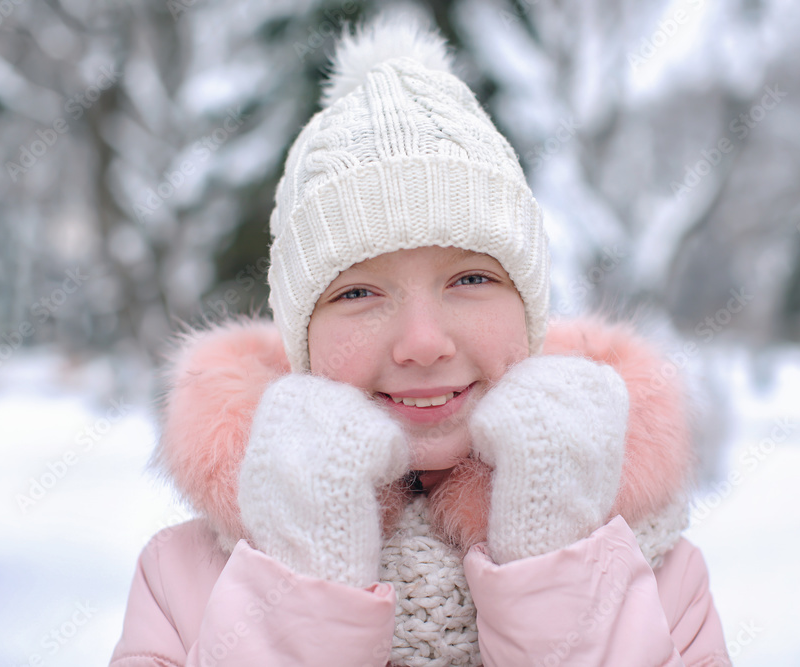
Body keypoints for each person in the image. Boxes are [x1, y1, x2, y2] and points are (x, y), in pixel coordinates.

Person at [110, 13, 731, 667]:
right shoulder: (184, 583)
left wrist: (560, 554)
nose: (422, 342)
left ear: (529, 313)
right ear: (302, 336)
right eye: (358, 293)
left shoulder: (662, 581)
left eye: (469, 277)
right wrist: (300, 575)